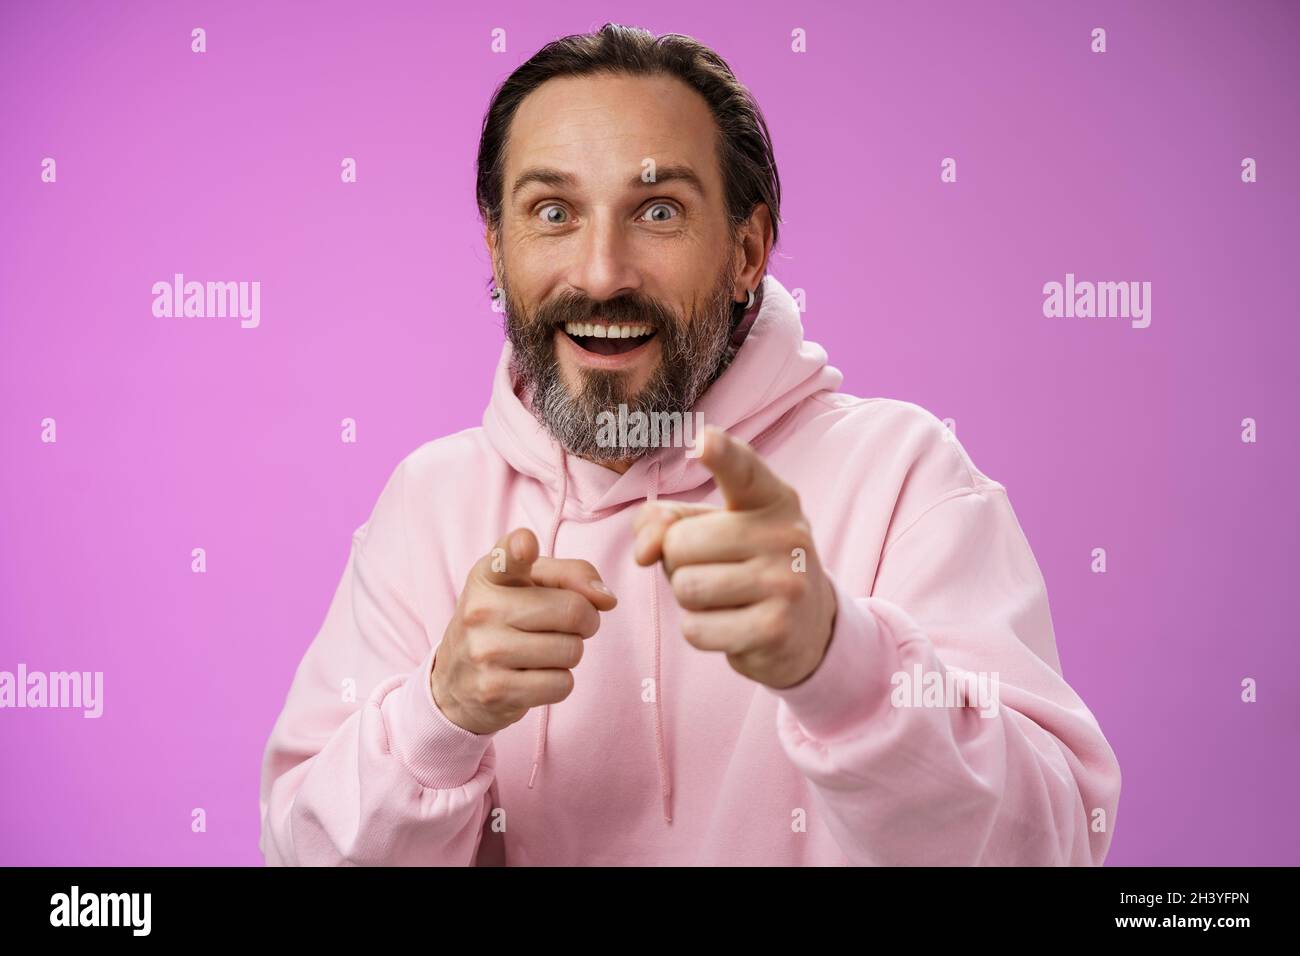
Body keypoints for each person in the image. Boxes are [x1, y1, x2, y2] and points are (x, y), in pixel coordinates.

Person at [258, 23, 1121, 866]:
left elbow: (1050, 848)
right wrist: (436, 716)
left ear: (748, 250)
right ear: (496, 244)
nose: (600, 273)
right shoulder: (427, 501)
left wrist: (840, 659)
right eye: (553, 212)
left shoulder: (905, 475)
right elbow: (300, 851)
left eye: (658, 210)